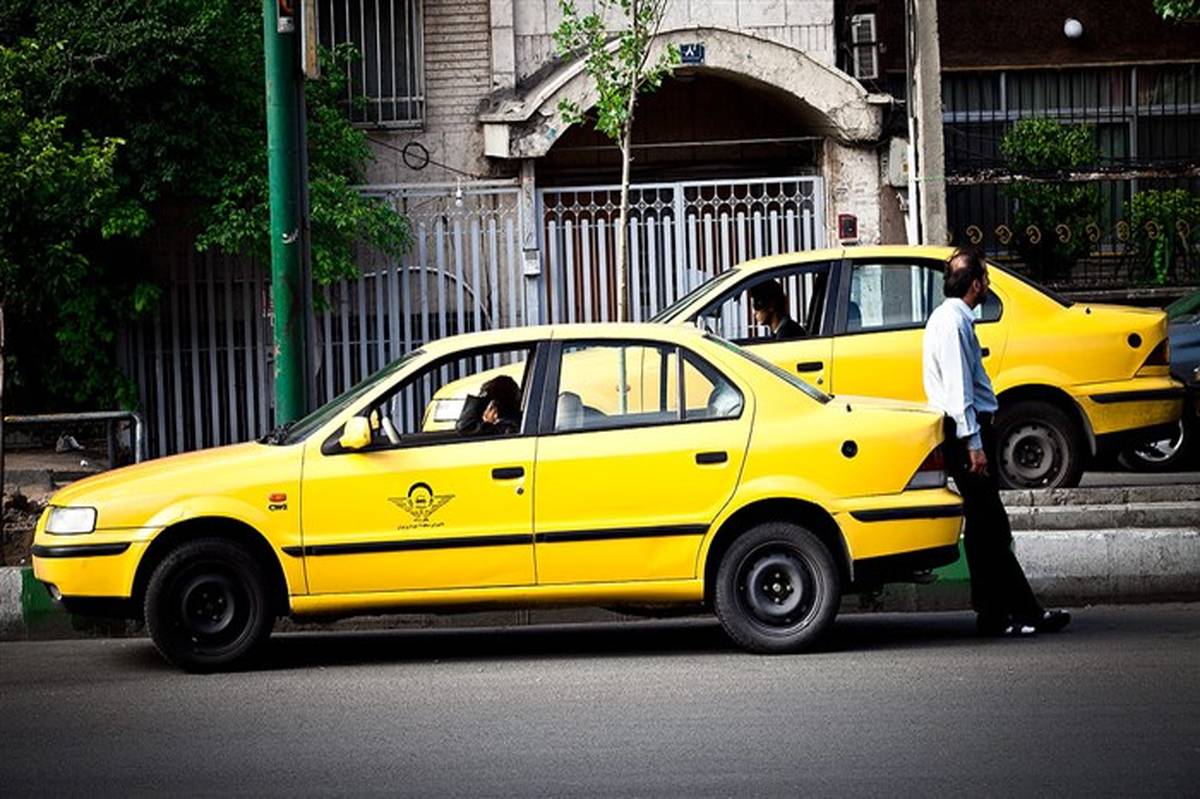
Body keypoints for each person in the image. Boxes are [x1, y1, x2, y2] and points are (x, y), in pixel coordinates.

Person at [922, 247, 1070, 637]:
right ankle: (1023, 612)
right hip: (967, 434)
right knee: (992, 528)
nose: (987, 285)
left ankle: (993, 613)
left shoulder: (950, 319)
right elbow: (959, 391)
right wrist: (974, 444)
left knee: (985, 528)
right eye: (985, 279)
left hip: (967, 432)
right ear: (975, 285)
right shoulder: (953, 324)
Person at [456, 375, 522, 436]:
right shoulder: (520, 423)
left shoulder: (508, 428)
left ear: (494, 407)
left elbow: (464, 427)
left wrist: (484, 396)